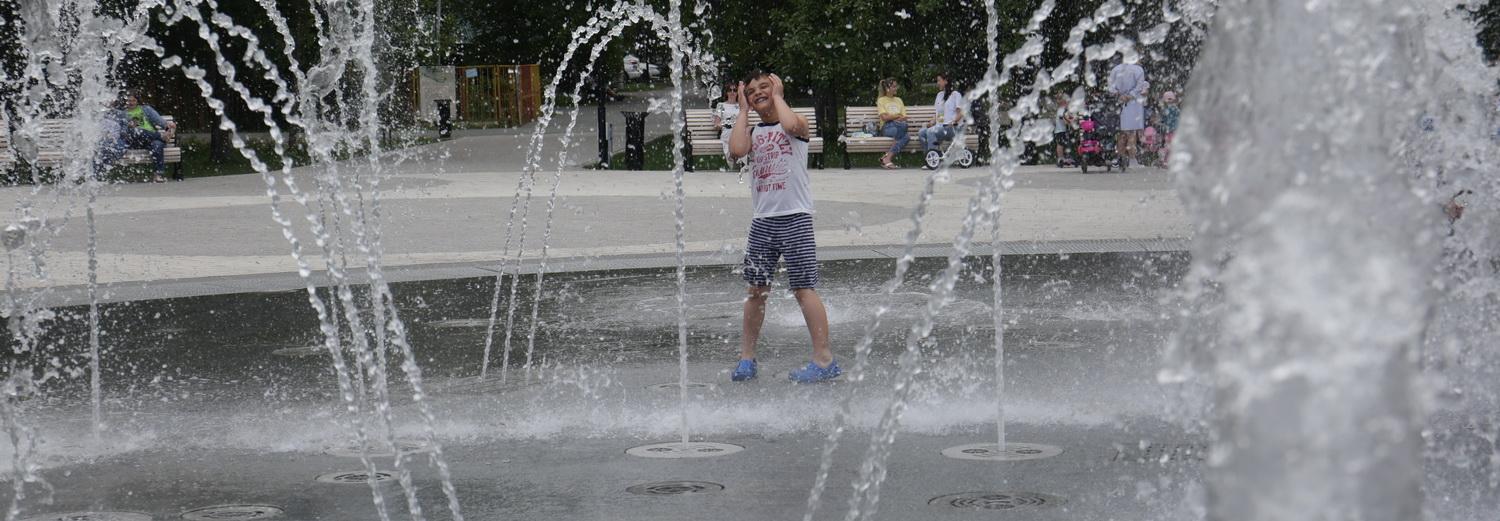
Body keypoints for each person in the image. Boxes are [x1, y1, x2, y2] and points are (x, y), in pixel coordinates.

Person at [726, 70, 838, 383]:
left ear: (777, 88)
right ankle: (747, 357)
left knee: (803, 288)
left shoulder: (795, 123)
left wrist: (778, 96)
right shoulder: (753, 131)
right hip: (763, 221)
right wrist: (744, 112)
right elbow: (736, 151)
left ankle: (824, 358)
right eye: (752, 90)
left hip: (795, 217)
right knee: (756, 292)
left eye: (765, 86)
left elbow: (791, 125)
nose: (758, 92)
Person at [122, 92, 177, 182]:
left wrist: (168, 128)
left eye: (133, 100)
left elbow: (161, 122)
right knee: (137, 131)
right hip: (134, 141)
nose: (131, 103)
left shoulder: (146, 109)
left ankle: (158, 175)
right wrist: (128, 126)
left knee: (157, 145)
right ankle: (161, 137)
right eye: (129, 101)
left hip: (150, 140)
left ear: (138, 101)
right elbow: (123, 132)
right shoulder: (123, 113)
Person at [918, 73, 965, 169]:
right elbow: (940, 115)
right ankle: (930, 158)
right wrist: (931, 122)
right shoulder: (939, 95)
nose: (937, 83)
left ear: (946, 81)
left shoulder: (955, 95)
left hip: (952, 128)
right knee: (922, 132)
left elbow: (960, 113)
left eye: (939, 80)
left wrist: (953, 122)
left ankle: (933, 160)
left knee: (931, 132)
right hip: (941, 127)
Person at [1108, 56, 1147, 169]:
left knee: (1122, 133)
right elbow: (1140, 87)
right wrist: (1130, 96)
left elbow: (1111, 87)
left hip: (1119, 103)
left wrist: (1120, 95)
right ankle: (1132, 160)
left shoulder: (1116, 69)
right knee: (1132, 133)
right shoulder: (1138, 69)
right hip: (1134, 104)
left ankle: (1120, 158)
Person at [875, 78, 910, 169]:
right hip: (887, 127)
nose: (896, 88)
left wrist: (893, 117)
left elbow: (904, 117)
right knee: (904, 133)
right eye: (894, 87)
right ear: (887, 88)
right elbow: (884, 118)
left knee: (906, 135)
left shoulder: (899, 100)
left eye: (896, 86)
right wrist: (897, 116)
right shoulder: (881, 100)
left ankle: (887, 158)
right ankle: (887, 157)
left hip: (898, 126)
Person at [710, 82, 742, 164]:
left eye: (734, 90)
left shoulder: (741, 106)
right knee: (730, 133)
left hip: (739, 132)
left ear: (737, 92)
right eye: (729, 90)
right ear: (726, 92)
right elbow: (716, 125)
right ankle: (736, 158)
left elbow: (745, 123)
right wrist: (724, 123)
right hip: (727, 132)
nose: (732, 92)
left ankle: (734, 158)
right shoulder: (721, 105)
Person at [1049, 92, 1076, 168]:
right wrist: (1070, 121)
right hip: (1060, 130)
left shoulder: (1063, 109)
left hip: (1063, 130)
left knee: (1065, 143)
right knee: (1060, 144)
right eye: (1067, 101)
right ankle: (1060, 158)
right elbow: (1064, 119)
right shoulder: (1061, 110)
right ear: (1063, 102)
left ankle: (1066, 157)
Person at [1158, 91, 1181, 167]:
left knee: (1168, 145)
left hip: (1168, 131)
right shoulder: (1176, 109)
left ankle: (1165, 159)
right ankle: (1167, 160)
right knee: (1172, 146)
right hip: (1174, 131)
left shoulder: (1165, 109)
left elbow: (1163, 119)